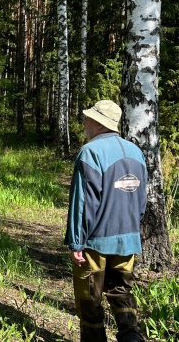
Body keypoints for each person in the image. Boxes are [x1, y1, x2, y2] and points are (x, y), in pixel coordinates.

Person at [64, 100, 147, 342]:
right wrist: (132, 229)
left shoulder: (90, 152)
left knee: (90, 298)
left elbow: (82, 203)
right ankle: (131, 338)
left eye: (87, 119)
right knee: (122, 292)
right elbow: (142, 200)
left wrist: (76, 242)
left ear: (99, 123)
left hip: (95, 242)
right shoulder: (136, 152)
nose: (84, 123)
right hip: (128, 240)